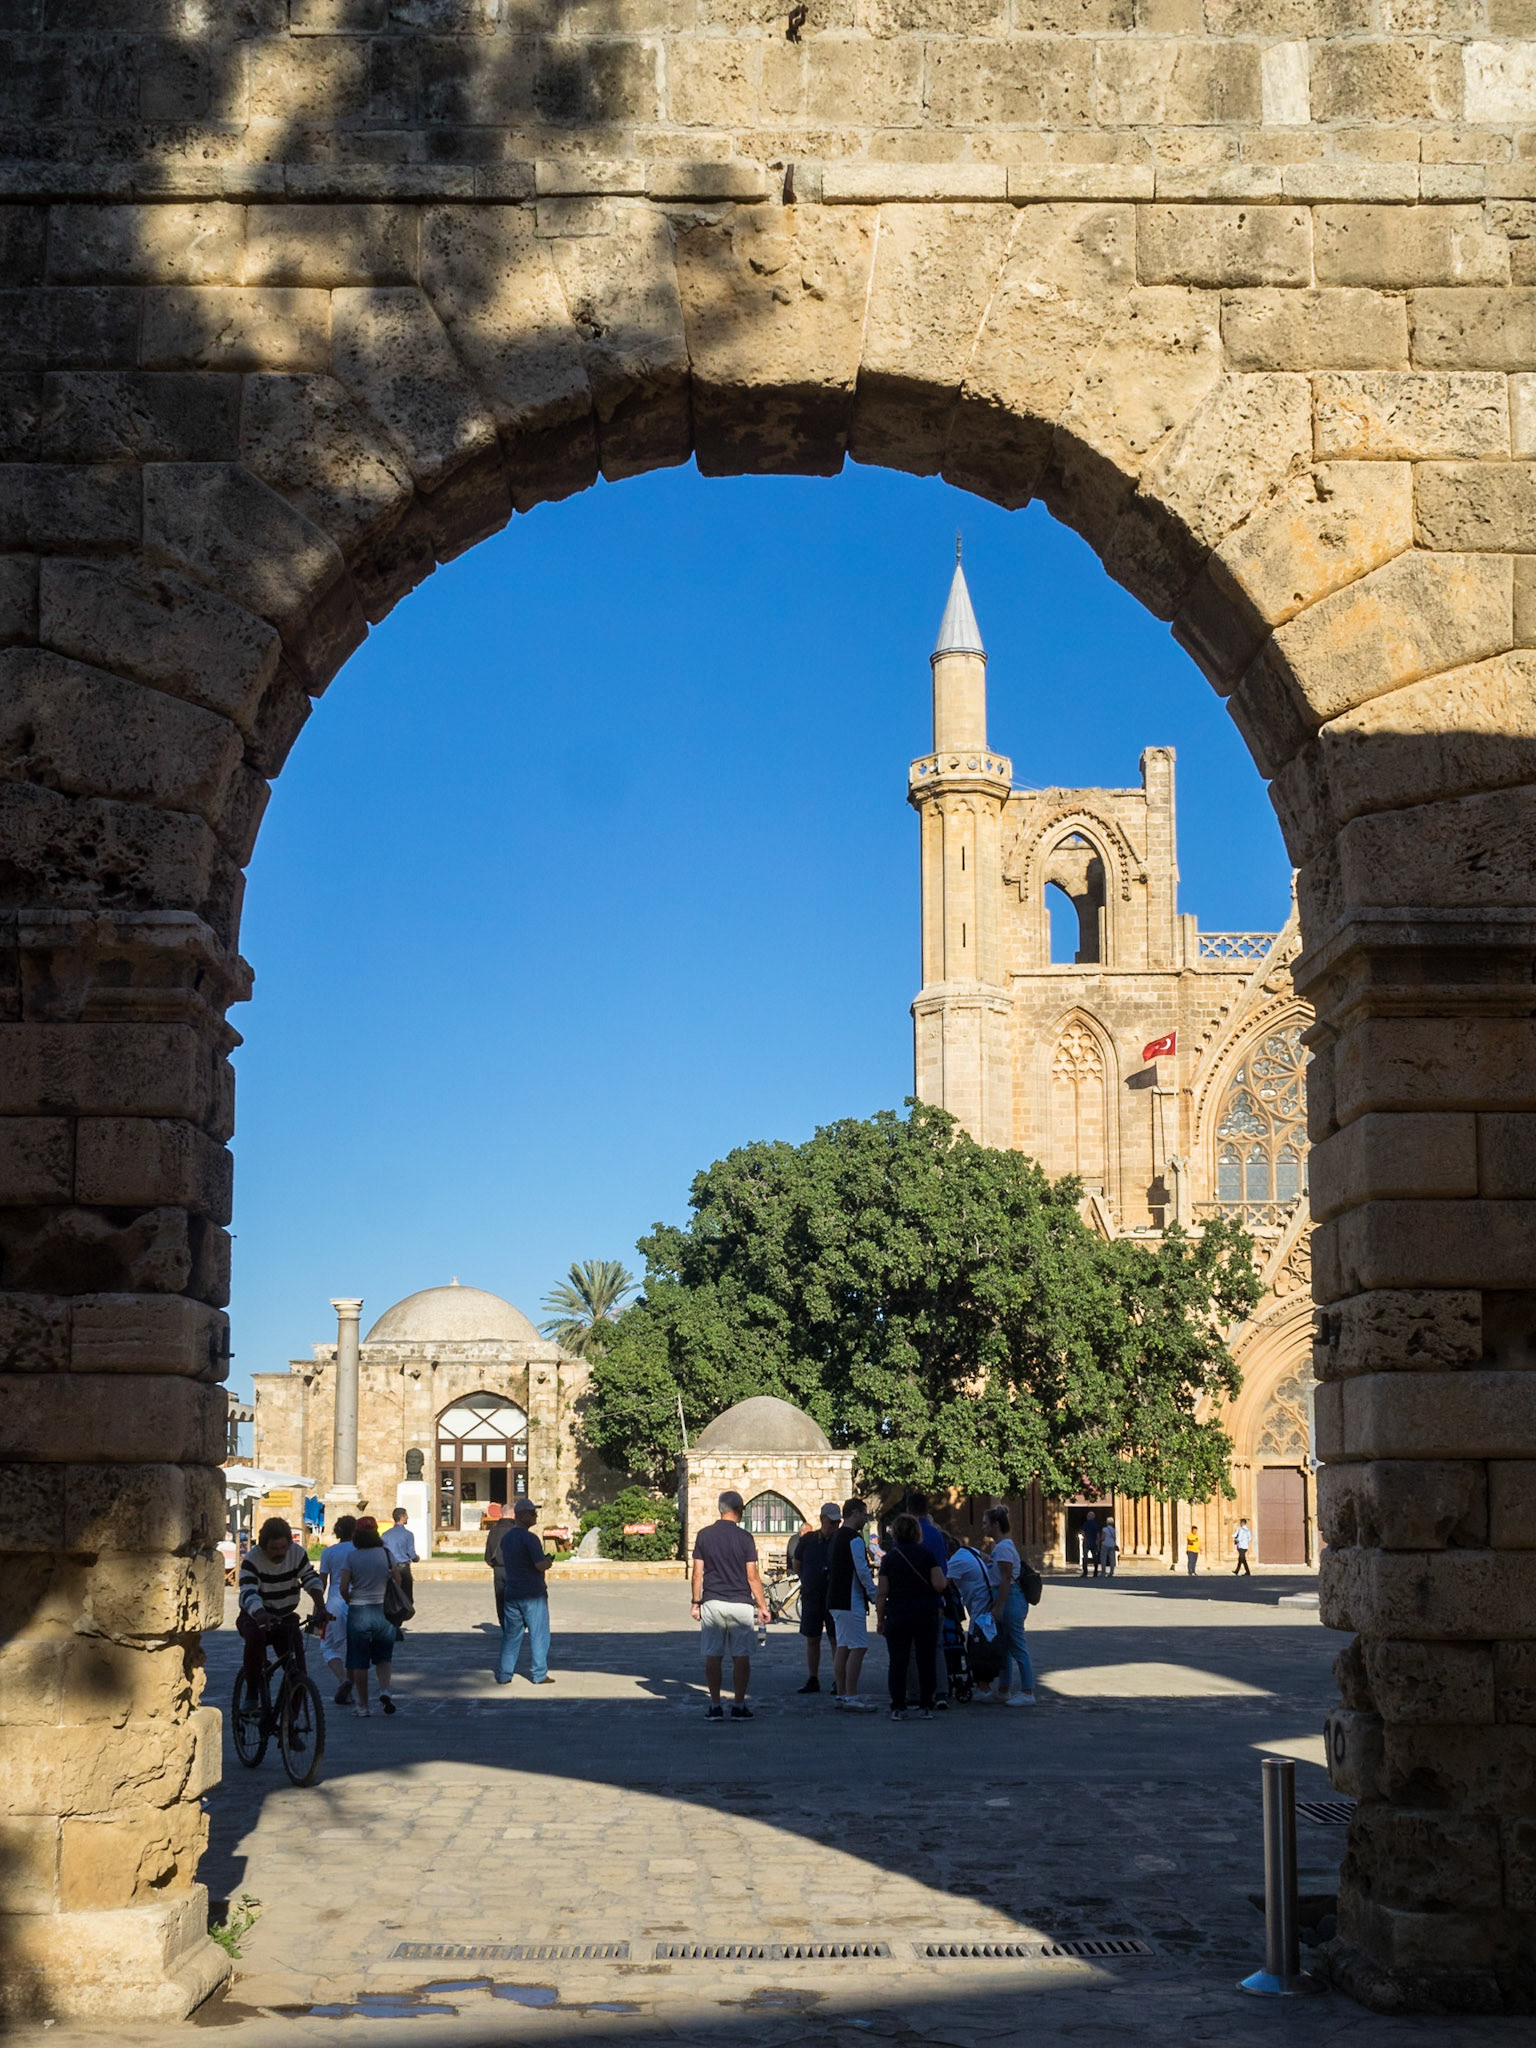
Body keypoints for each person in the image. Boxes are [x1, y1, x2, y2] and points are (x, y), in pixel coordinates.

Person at [690, 1490, 769, 1721]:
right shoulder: (745, 1538)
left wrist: (696, 1603)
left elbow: (697, 1574)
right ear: (739, 1510)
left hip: (713, 1601)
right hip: (740, 1603)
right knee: (741, 1656)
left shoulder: (704, 1535)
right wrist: (762, 1606)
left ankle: (715, 1705)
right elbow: (752, 1576)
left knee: (713, 1655)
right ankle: (739, 1704)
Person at [238, 1516, 328, 1688]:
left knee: (298, 1668)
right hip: (256, 1615)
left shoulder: (296, 1553)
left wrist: (321, 1606)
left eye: (283, 1547)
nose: (280, 1553)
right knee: (255, 1641)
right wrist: (260, 1613)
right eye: (274, 1548)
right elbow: (248, 1592)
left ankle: (293, 1707)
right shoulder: (252, 1559)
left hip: (285, 1615)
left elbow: (309, 1578)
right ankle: (251, 1694)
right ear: (263, 1546)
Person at [877, 1512, 947, 1720]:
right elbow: (939, 1584)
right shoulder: (927, 1555)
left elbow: (882, 1593)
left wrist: (880, 1619)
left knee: (898, 1662)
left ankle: (898, 1706)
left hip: (898, 1613)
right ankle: (926, 1705)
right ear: (917, 1533)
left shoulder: (890, 1558)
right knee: (926, 1660)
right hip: (925, 1613)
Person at [339, 1515, 402, 1718]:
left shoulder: (352, 1557)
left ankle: (363, 1705)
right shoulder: (386, 1554)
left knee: (359, 1660)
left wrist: (350, 1599)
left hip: (359, 1609)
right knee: (383, 1656)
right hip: (383, 1609)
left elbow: (343, 1587)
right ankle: (384, 1689)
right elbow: (397, 1579)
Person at [495, 1498, 555, 1688]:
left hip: (512, 1591)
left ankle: (504, 1674)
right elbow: (538, 1565)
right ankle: (539, 1673)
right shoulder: (530, 1538)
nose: (535, 1516)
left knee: (511, 1635)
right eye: (532, 1513)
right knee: (539, 1634)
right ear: (521, 1515)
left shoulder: (507, 1538)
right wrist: (547, 1563)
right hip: (532, 1592)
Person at [826, 1498, 879, 1713]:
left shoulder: (836, 1536)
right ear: (855, 1513)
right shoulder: (853, 1539)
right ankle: (851, 1694)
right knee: (858, 1646)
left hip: (835, 1599)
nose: (865, 1519)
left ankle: (841, 1693)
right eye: (864, 1514)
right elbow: (862, 1571)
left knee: (843, 1646)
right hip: (850, 1599)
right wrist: (874, 1594)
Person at [982, 1505, 1036, 1706]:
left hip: (1010, 1599)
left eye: (985, 1523)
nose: (983, 1527)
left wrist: (998, 1605)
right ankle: (1004, 1688)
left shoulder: (1003, 1548)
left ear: (996, 1525)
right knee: (1004, 1645)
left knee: (1017, 1645)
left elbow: (1005, 1578)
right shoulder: (1002, 1548)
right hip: (1007, 1598)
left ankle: (1027, 1690)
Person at [904, 1492, 951, 1706]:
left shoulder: (905, 1534)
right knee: (936, 1648)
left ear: (909, 1510)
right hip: (933, 1599)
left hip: (909, 1600)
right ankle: (941, 1692)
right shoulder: (935, 1534)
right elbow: (943, 1568)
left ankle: (914, 1694)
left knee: (913, 1650)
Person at [794, 1504, 840, 1695]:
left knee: (835, 1638)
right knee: (812, 1638)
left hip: (834, 1595)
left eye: (838, 1522)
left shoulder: (839, 1540)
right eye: (832, 1522)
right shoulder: (808, 1540)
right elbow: (797, 1563)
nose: (835, 1526)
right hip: (812, 1594)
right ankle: (813, 1678)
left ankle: (840, 1679)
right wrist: (806, 1579)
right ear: (823, 1520)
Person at [319, 1512, 357, 1704]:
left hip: (334, 1603)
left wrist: (319, 1605)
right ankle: (349, 1684)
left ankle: (343, 1679)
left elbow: (322, 1582)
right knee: (354, 1647)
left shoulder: (329, 1552)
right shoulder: (359, 1551)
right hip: (358, 1601)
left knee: (327, 1645)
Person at [383, 1506, 418, 1635]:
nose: (408, 1517)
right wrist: (416, 1558)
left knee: (391, 1597)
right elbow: (411, 1553)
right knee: (406, 1597)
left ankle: (392, 1622)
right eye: (406, 1515)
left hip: (389, 1569)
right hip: (402, 1568)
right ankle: (397, 1624)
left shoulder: (385, 1535)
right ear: (402, 1517)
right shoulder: (408, 1535)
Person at [483, 1502, 509, 1625]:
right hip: (514, 1569)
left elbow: (488, 1556)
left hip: (498, 1569)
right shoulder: (518, 1530)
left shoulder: (493, 1531)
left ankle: (504, 1624)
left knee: (501, 1599)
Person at [1080, 1509, 1100, 1580]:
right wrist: (1098, 1544)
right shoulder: (1096, 1525)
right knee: (1095, 1558)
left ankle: (1085, 1572)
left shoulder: (1085, 1524)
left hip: (1086, 1542)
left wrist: (1085, 1538)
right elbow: (1098, 1535)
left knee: (1085, 1558)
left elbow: (1083, 1533)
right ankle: (1095, 1572)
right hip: (1094, 1542)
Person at [1099, 1515, 1119, 1581]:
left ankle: (1103, 1572)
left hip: (1105, 1544)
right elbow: (1114, 1538)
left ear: (1107, 1522)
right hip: (1112, 1544)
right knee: (1112, 1559)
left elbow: (1103, 1537)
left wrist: (1099, 1539)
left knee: (1103, 1558)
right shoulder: (1114, 1530)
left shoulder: (1104, 1529)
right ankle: (1111, 1572)